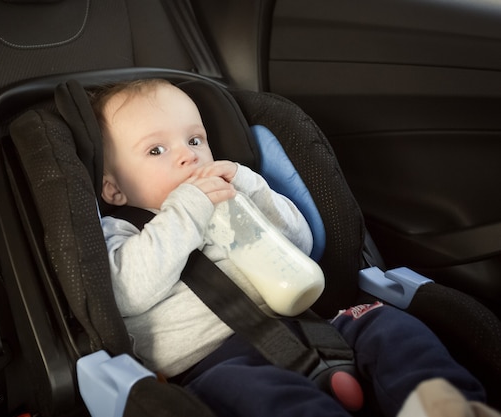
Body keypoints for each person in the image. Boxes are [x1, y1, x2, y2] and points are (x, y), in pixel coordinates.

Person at [90, 78, 486, 416]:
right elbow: (126, 293)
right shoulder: (120, 231)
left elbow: (300, 243)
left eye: (195, 139)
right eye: (155, 150)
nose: (187, 156)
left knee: (390, 328)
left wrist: (249, 188)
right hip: (216, 364)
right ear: (114, 188)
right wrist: (186, 212)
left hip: (311, 326)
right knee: (260, 399)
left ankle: (439, 404)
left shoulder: (233, 199)